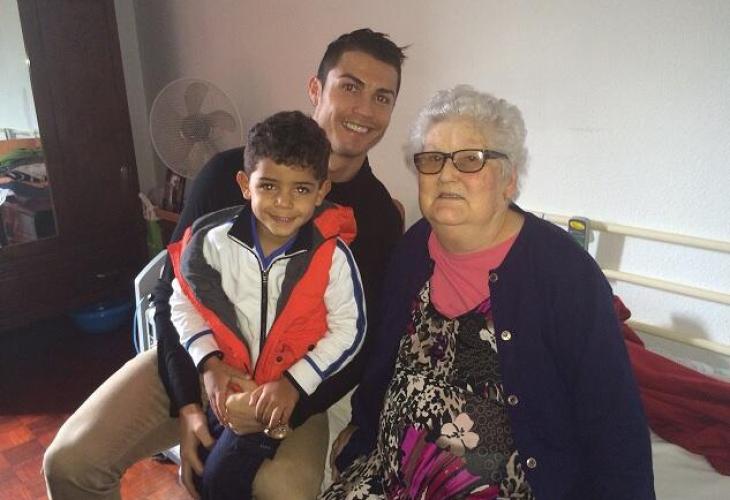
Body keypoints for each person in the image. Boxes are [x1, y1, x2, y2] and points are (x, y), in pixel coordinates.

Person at [44, 28, 406, 500]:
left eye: (382, 97)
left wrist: (287, 400)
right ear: (316, 89)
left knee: (283, 491)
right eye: (350, 86)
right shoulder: (224, 177)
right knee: (70, 462)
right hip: (200, 357)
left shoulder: (377, 219)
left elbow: (359, 340)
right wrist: (190, 401)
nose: (364, 109)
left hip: (290, 383)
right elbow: (171, 292)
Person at [324, 85, 655, 499]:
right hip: (386, 479)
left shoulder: (563, 272)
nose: (446, 174)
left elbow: (614, 424)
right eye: (432, 159)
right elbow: (383, 363)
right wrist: (362, 431)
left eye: (470, 160)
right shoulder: (412, 248)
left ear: (509, 179)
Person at [167, 110, 365, 499]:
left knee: (219, 480)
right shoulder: (212, 243)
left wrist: (294, 384)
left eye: (301, 189)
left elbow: (350, 329)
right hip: (228, 381)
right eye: (269, 185)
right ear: (245, 184)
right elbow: (182, 300)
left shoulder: (333, 256)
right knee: (202, 469)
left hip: (283, 394)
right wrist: (208, 362)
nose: (283, 203)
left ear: (322, 191)